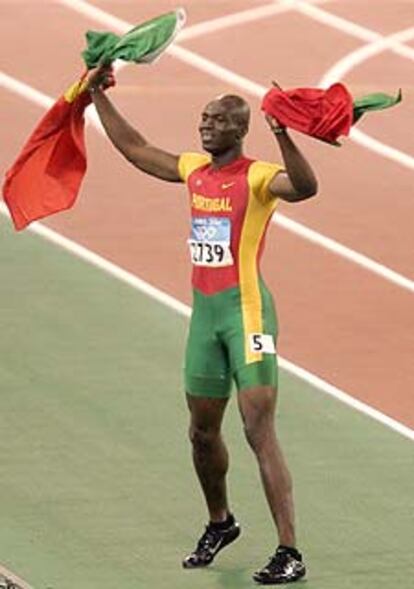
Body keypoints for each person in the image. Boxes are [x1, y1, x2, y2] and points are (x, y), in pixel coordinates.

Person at [86, 64, 318, 585]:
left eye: (216, 120)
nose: (205, 126)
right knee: (200, 433)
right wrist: (96, 96)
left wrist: (283, 135)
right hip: (205, 319)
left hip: (248, 315)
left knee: (258, 428)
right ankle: (221, 522)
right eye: (203, 118)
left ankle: (289, 551)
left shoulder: (258, 176)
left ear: (239, 129)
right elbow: (137, 150)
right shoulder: (194, 170)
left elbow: (305, 187)